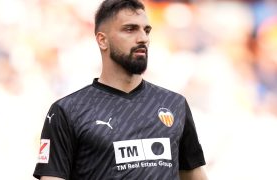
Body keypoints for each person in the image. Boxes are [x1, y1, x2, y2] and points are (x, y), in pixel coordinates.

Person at [33, 0, 207, 179]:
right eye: (130, 29)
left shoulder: (174, 104)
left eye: (146, 30)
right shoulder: (67, 111)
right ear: (102, 40)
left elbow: (194, 174)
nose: (143, 38)